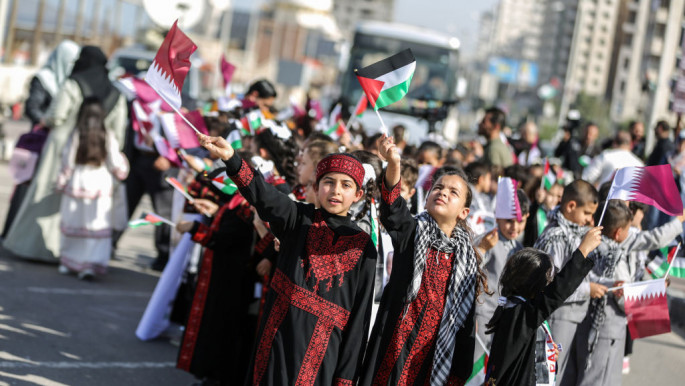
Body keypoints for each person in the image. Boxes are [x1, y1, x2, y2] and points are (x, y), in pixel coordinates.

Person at [200, 134, 377, 385]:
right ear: (315, 188)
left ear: (358, 194)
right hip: (277, 338)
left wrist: (345, 378)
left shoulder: (363, 246)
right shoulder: (298, 218)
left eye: (346, 185)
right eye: (328, 182)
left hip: (325, 353)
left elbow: (359, 317)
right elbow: (263, 196)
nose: (336, 190)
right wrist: (232, 159)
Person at [360, 135, 488, 385]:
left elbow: (465, 323)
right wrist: (394, 164)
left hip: (433, 357)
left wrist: (457, 376)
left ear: (464, 212)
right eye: (438, 188)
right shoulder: (412, 231)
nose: (442, 193)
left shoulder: (466, 259)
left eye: (453, 192)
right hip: (393, 347)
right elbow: (393, 209)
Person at [3, 46, 127, 262]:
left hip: (62, 148)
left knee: (46, 195)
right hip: (96, 154)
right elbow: (118, 131)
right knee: (84, 208)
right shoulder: (116, 92)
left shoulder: (74, 83)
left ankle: (36, 248)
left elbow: (56, 116)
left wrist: (46, 122)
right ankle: (71, 254)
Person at [484, 227, 603, 385]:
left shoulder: (521, 310)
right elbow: (556, 293)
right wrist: (583, 250)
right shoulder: (518, 313)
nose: (551, 282)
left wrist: (545, 354)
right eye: (550, 277)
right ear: (534, 283)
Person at [2, 41, 80, 239]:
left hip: (57, 145)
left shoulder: (71, 83)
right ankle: (12, 233)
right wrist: (47, 121)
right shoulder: (43, 79)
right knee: (25, 187)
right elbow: (32, 108)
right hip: (38, 143)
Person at [533, 180, 601, 384]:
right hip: (557, 315)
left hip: (568, 316)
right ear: (571, 206)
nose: (590, 220)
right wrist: (589, 289)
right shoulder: (556, 237)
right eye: (587, 213)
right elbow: (554, 284)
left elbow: (579, 273)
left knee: (557, 372)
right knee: (546, 374)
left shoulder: (572, 233)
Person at [55, 98, 129, 279]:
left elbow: (68, 161)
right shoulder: (108, 134)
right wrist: (122, 170)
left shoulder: (77, 133)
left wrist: (62, 181)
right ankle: (91, 265)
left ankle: (70, 261)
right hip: (100, 181)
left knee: (75, 221)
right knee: (96, 225)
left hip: (78, 180)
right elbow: (115, 161)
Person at [476, 188, 531, 350]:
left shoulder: (520, 248)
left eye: (520, 221)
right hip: (482, 315)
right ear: (497, 217)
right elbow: (470, 272)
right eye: (509, 220)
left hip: (503, 319)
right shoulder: (486, 241)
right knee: (476, 368)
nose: (515, 227)